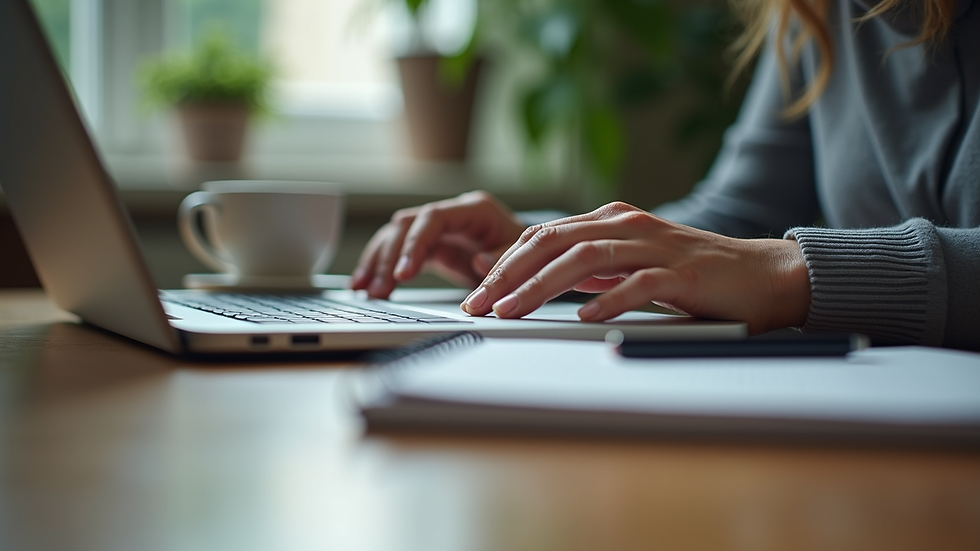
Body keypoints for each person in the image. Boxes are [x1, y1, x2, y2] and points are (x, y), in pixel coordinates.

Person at [351, 0, 979, 350]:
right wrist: (547, 247)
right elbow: (734, 217)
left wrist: (793, 273)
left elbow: (754, 260)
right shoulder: (816, 12)